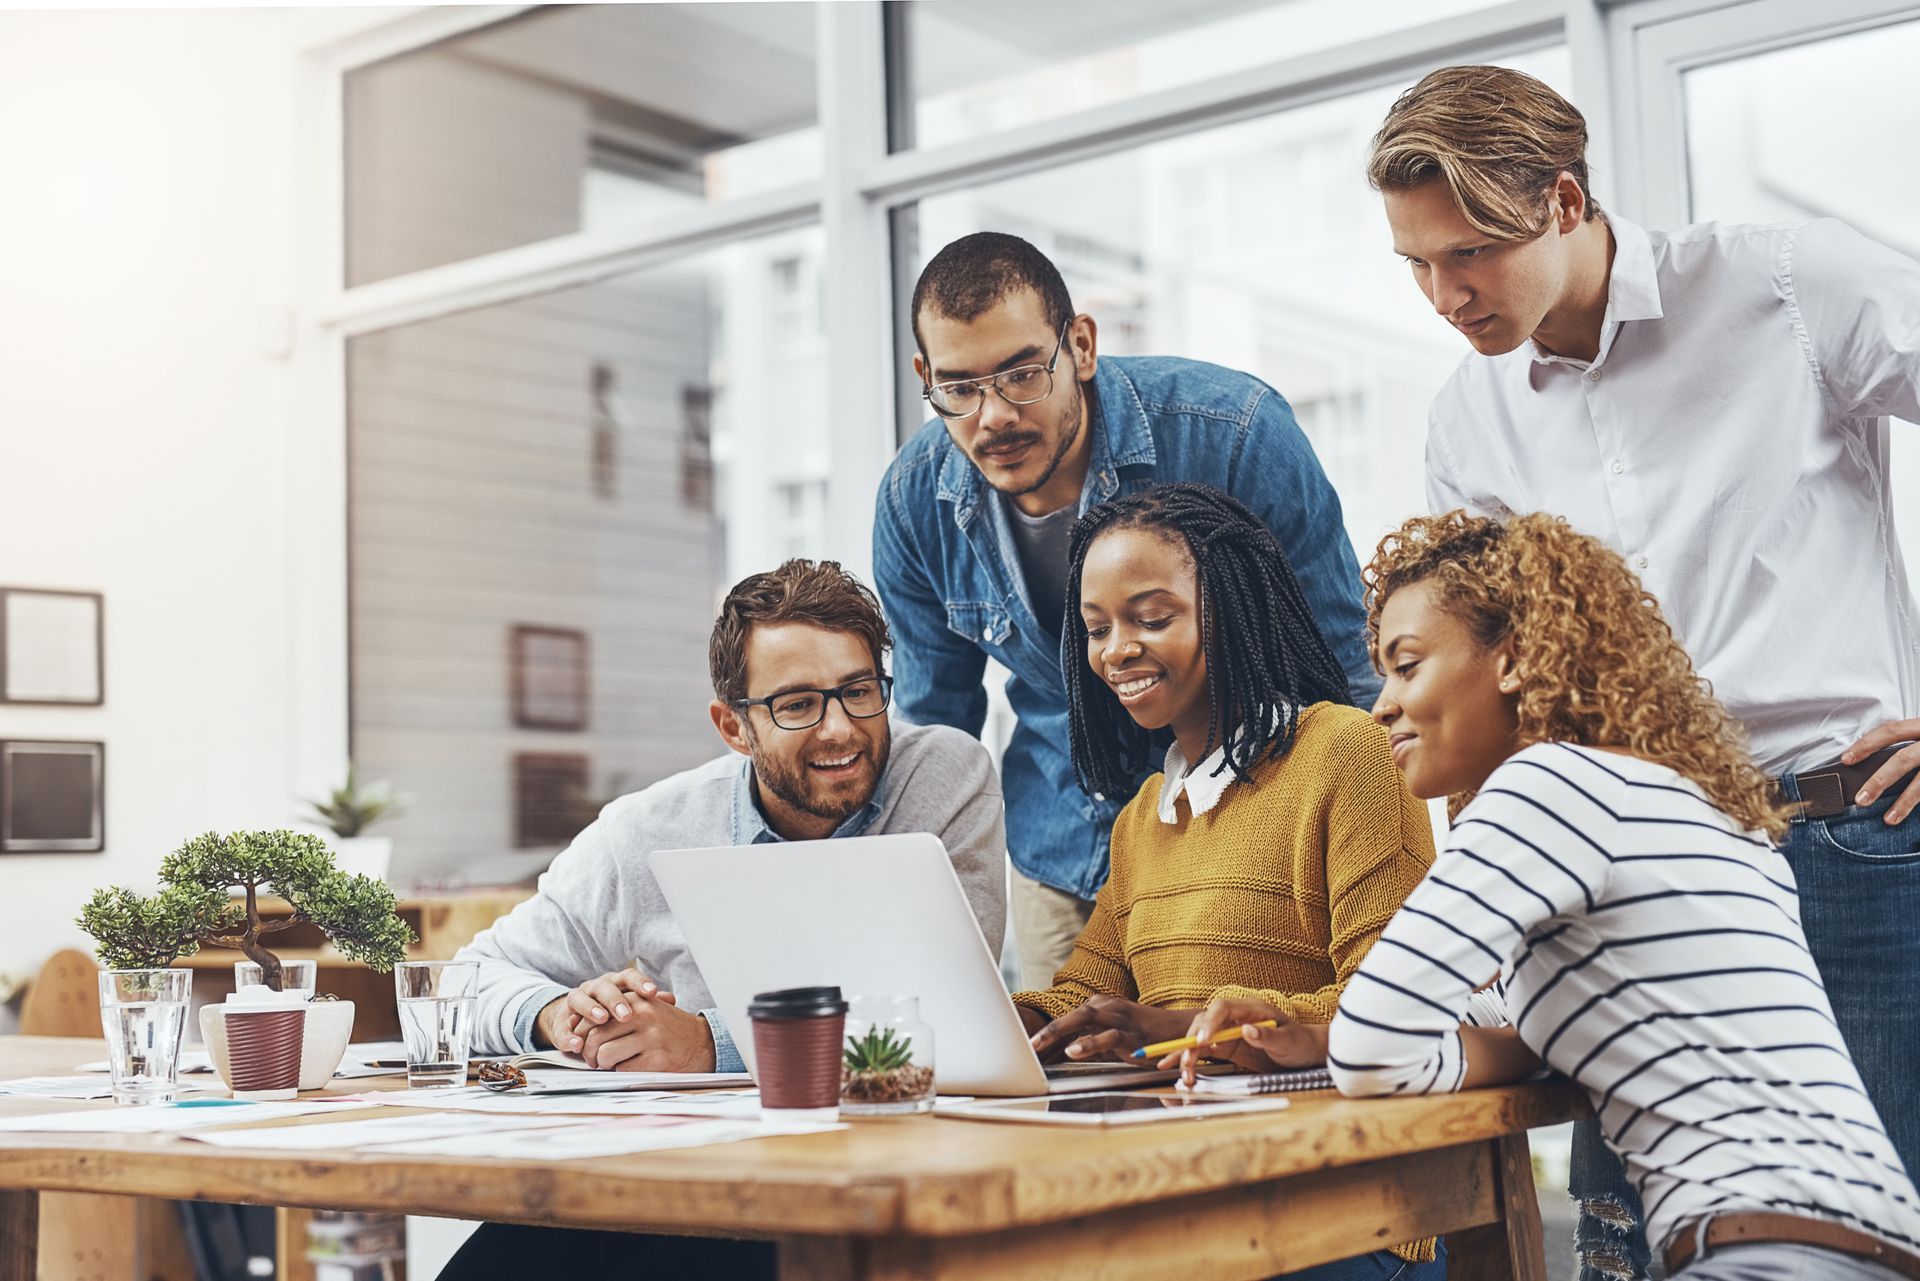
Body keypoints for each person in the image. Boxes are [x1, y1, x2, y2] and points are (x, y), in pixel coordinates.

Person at [1365, 64, 1920, 1276]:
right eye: (1416, 262)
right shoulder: (1470, 416)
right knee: (1642, 1241)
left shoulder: (1785, 286)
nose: (1445, 293)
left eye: (1471, 252)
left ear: (1564, 202)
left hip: (1849, 836)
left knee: (1864, 1227)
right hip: (1638, 882)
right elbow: (1495, 697)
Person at [1180, 512, 1920, 1281]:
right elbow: (1539, 1026)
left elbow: (1377, 1046)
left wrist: (1355, 1042)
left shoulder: (1546, 786)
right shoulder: (1691, 803)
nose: (1382, 704)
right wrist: (1313, 1036)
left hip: (1765, 1256)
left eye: (1407, 665)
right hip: (1865, 1241)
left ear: (1515, 659)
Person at [435, 559, 1005, 1280]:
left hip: (878, 1179)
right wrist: (559, 1012)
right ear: (733, 725)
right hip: (691, 1174)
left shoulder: (942, 776)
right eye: (798, 704)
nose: (841, 730)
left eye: (860, 692)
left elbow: (941, 1019)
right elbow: (469, 977)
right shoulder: (651, 828)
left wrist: (709, 1043)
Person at [875, 231, 1379, 989]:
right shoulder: (916, 500)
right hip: (1066, 846)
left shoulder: (1235, 432)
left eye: (1020, 374)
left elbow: (1342, 669)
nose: (993, 417)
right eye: (959, 388)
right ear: (926, 378)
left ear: (1080, 345)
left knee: (1242, 1075)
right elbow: (932, 736)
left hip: (1253, 832)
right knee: (1075, 1075)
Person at [1012, 483, 1443, 1280]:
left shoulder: (1345, 752)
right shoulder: (1145, 814)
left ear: (1232, 610)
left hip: (1351, 1202)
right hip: (1197, 1185)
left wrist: (1173, 1023)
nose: (1117, 650)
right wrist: (1001, 1016)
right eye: (1097, 627)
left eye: (1151, 617)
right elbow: (1090, 995)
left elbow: (1393, 1009)